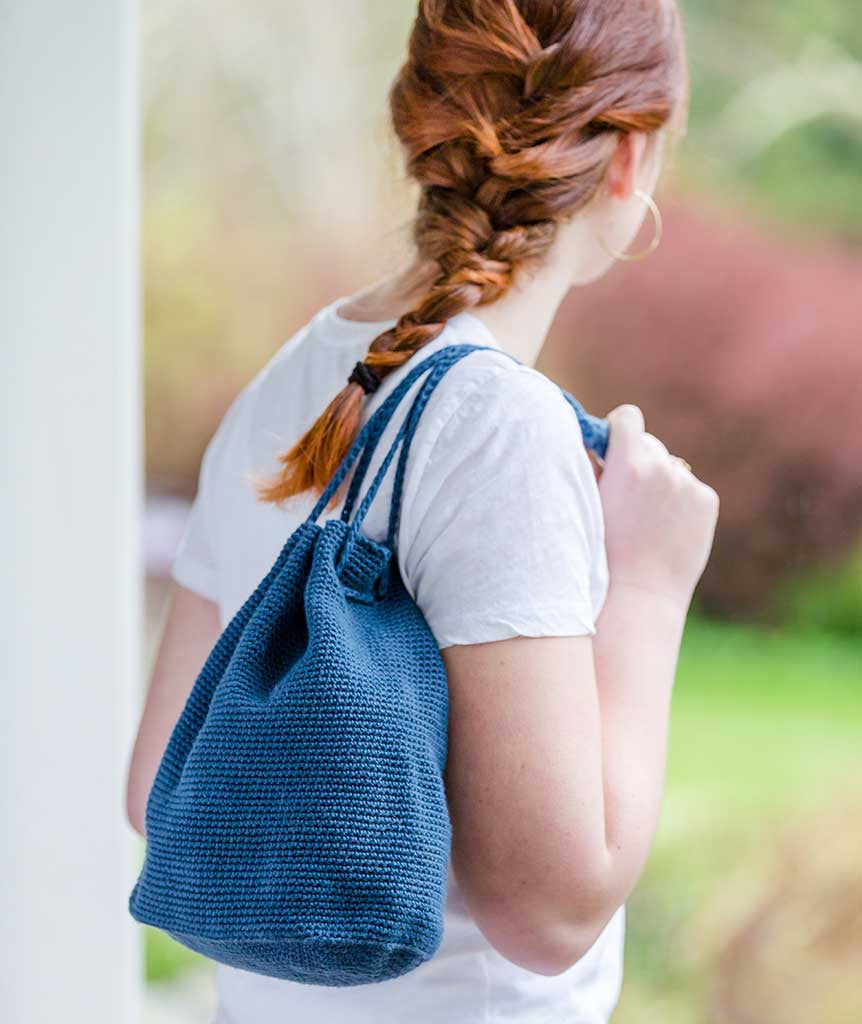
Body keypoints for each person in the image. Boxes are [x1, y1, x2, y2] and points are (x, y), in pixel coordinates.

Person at [126, 1, 719, 1021]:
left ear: (422, 124)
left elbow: (155, 794)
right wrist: (654, 585)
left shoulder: (294, 378)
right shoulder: (501, 426)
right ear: (628, 159)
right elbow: (549, 918)